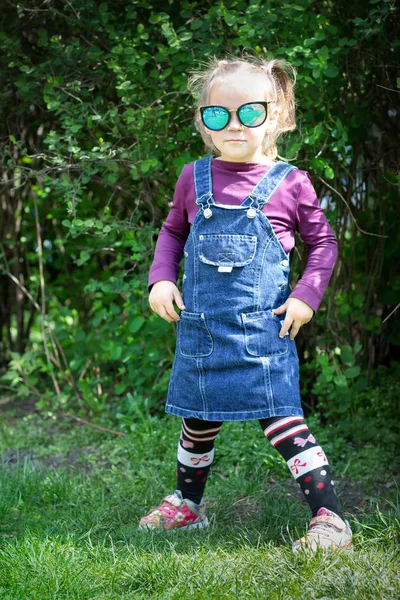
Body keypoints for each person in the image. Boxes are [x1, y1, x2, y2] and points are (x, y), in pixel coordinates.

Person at [139, 55, 352, 553]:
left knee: (285, 424)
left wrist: (306, 296)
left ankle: (330, 518)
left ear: (275, 116)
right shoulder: (194, 178)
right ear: (204, 120)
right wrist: (160, 278)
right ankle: (187, 507)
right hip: (202, 331)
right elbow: (172, 232)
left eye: (249, 113)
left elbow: (324, 245)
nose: (234, 125)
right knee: (197, 420)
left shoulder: (290, 183)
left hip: (264, 334)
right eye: (219, 114)